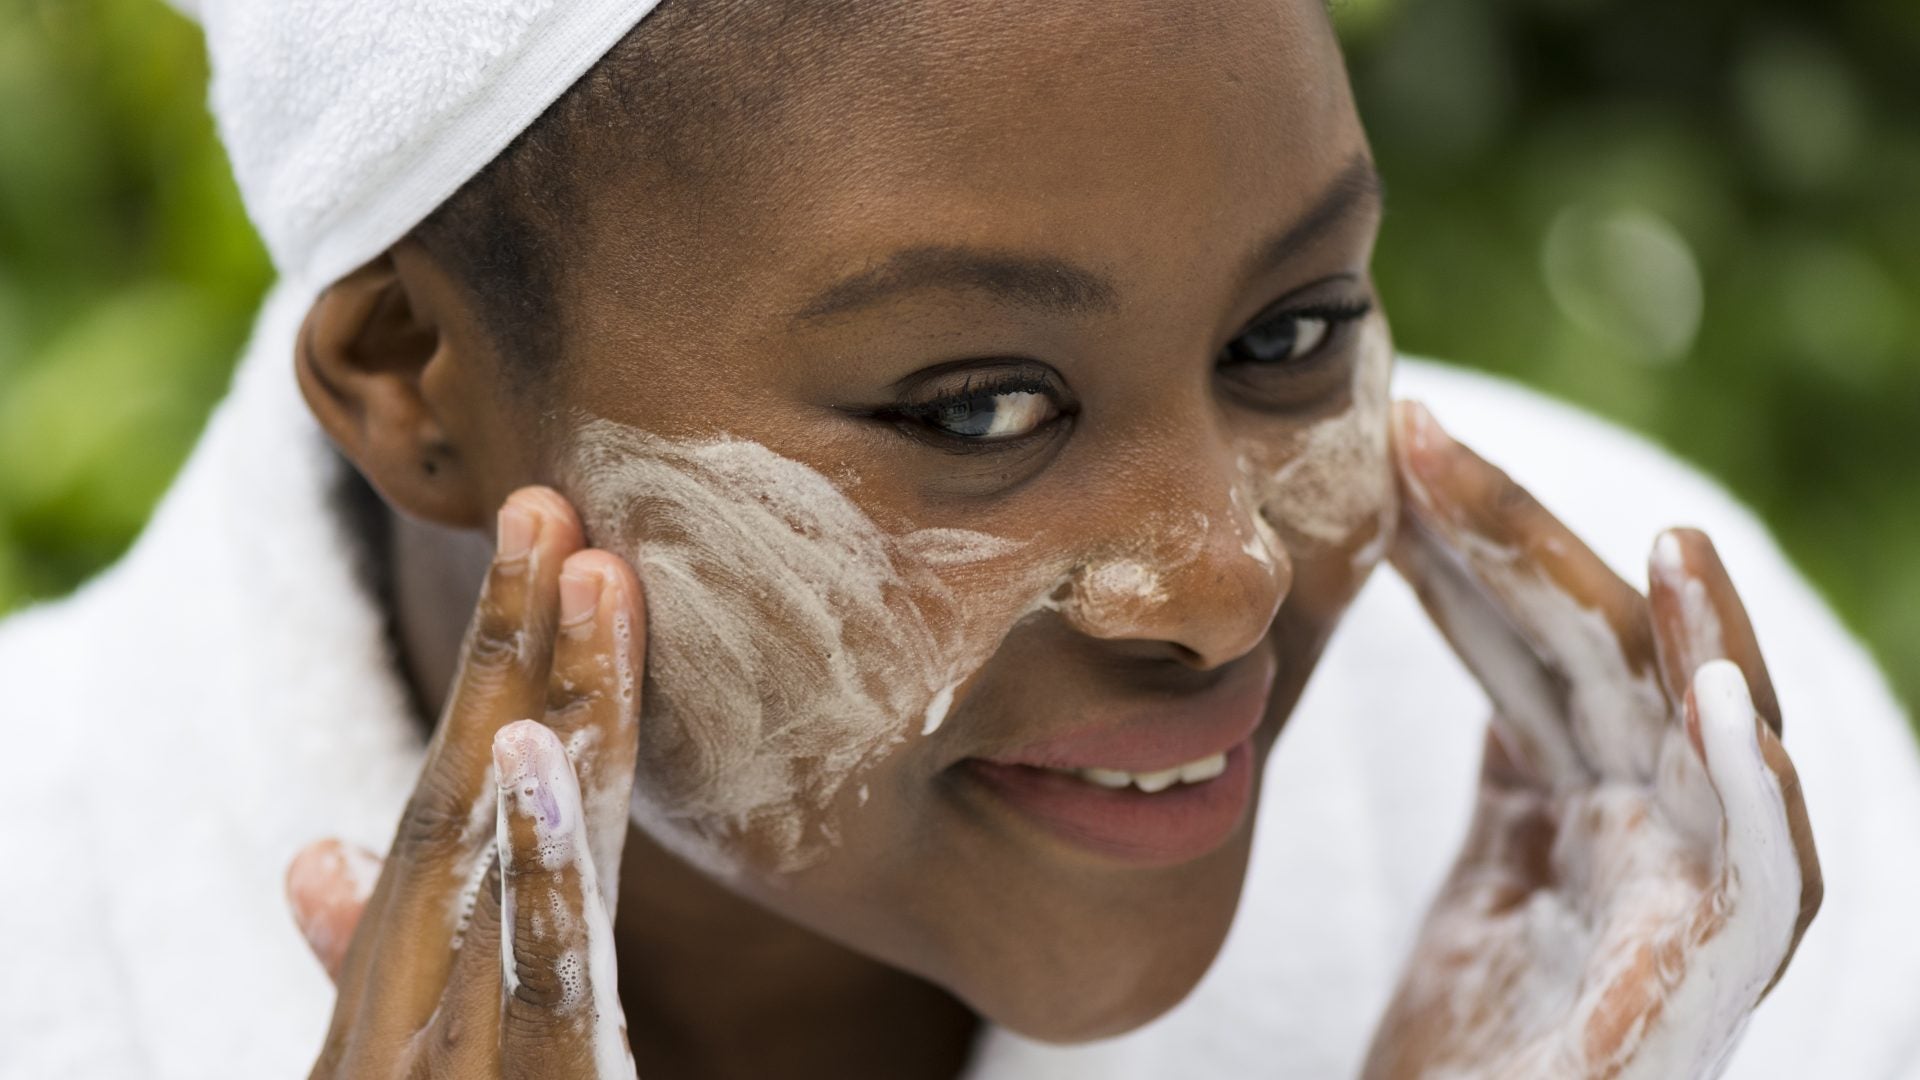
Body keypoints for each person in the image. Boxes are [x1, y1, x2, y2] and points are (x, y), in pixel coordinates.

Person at [3, 0, 1917, 1077]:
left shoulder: (1654, 828)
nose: (1225, 579)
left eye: (1291, 333)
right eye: (978, 410)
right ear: (415, 373)